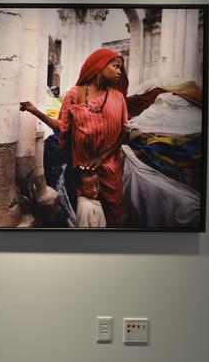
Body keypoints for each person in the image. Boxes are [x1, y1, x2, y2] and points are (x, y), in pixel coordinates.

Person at [20, 47, 129, 227]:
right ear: (99, 65)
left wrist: (102, 157)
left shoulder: (118, 97)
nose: (120, 72)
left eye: (120, 68)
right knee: (83, 215)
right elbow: (62, 127)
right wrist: (35, 111)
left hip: (110, 167)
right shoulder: (75, 94)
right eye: (116, 66)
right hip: (81, 169)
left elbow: (124, 131)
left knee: (112, 212)